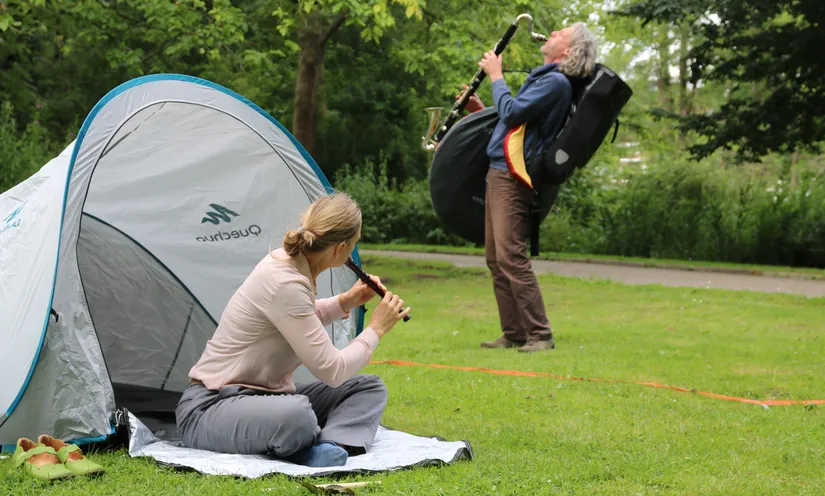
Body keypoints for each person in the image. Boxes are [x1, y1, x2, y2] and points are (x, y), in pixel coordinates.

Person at [176, 193, 410, 467]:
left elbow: (297, 319)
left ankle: (329, 447)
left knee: (368, 388)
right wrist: (376, 329)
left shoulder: (291, 262)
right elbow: (332, 371)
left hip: (265, 396)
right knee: (298, 415)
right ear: (341, 248)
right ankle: (311, 441)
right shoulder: (284, 280)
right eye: (354, 244)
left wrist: (345, 302)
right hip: (211, 407)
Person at [461, 23, 597, 353]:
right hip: (501, 171)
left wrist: (496, 75)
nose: (550, 33)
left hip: (513, 175)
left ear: (566, 51)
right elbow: (516, 122)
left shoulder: (555, 81)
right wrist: (482, 111)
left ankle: (541, 334)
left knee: (511, 256)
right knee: (496, 258)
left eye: (559, 33)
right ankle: (514, 333)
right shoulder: (547, 79)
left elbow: (513, 111)